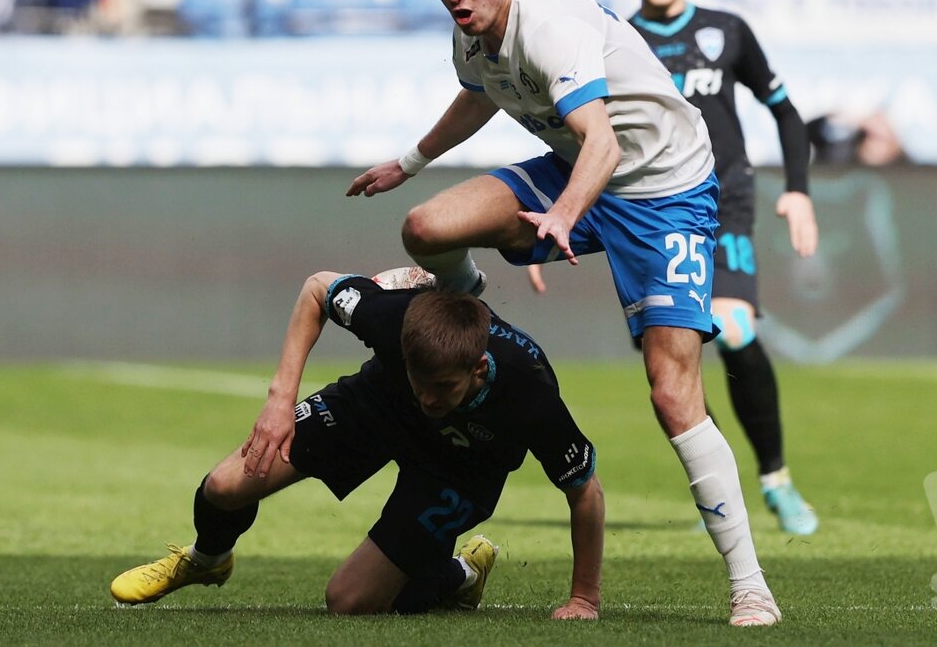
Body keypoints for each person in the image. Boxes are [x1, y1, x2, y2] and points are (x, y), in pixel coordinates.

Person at [346, 0, 781, 627]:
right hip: (576, 173)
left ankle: (750, 585)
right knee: (425, 227)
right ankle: (469, 300)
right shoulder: (471, 37)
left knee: (673, 395)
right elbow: (479, 93)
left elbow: (604, 144)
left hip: (663, 188)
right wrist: (410, 162)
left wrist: (564, 217)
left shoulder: (549, 28)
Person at [530, 0, 820, 536]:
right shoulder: (615, 39)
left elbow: (787, 112)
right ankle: (724, 488)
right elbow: (586, 137)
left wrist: (797, 190)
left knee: (736, 328)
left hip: (725, 199)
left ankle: (777, 480)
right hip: (648, 206)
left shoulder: (728, 32)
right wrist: (558, 217)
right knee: (677, 351)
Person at [109, 266, 604, 620]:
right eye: (421, 381)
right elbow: (316, 289)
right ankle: (207, 560)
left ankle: (461, 574)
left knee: (350, 601)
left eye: (444, 389)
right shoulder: (394, 318)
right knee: (224, 487)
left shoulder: (528, 389)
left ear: (476, 370)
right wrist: (280, 401)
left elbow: (585, 492)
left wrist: (583, 599)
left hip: (457, 469)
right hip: (377, 407)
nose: (430, 399)